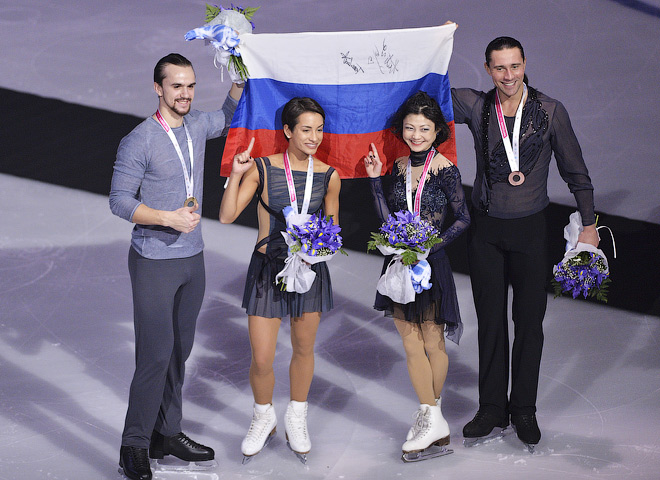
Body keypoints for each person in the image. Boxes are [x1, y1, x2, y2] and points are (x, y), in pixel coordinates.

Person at [451, 36, 599, 449]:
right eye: (499, 68)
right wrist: (439, 42)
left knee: (529, 325)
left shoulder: (550, 111)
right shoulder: (477, 105)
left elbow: (577, 172)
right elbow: (425, 88)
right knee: (491, 321)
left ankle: (524, 409)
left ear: (524, 63)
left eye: (514, 66)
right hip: (486, 233)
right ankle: (492, 408)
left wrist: (588, 224)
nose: (508, 76)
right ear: (487, 68)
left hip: (532, 231)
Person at [109, 53, 244, 480]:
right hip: (154, 262)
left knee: (179, 353)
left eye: (189, 86)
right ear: (158, 88)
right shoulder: (139, 140)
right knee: (154, 355)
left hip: (193, 260)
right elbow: (119, 201)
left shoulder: (197, 126)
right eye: (175, 86)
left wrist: (240, 75)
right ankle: (133, 445)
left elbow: (225, 116)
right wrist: (167, 217)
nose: (184, 94)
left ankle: (166, 433)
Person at [219, 97, 341, 464]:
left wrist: (317, 249)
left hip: (309, 272)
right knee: (261, 357)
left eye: (319, 129)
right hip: (267, 271)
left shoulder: (329, 176)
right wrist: (237, 173)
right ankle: (263, 416)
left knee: (304, 349)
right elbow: (226, 216)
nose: (314, 136)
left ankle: (297, 417)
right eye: (306, 129)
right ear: (287, 131)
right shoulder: (263, 168)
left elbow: (334, 232)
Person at [364, 91, 470, 460]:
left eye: (424, 128)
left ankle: (429, 417)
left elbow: (463, 218)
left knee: (432, 342)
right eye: (410, 128)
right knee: (410, 344)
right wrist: (376, 180)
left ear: (437, 130)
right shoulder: (396, 168)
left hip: (429, 263)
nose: (416, 135)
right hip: (398, 264)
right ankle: (433, 420)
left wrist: (429, 247)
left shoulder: (445, 169)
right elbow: (386, 220)